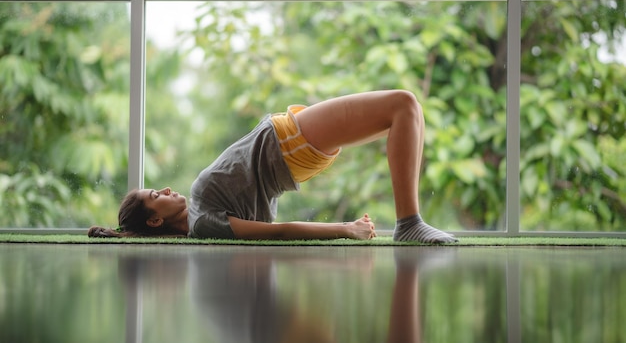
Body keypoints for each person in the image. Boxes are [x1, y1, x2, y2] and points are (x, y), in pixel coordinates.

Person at [88, 90, 457, 243]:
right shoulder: (202, 222)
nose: (166, 189)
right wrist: (344, 228)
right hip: (288, 142)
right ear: (154, 219)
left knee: (406, 111)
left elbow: (269, 226)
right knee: (403, 105)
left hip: (290, 148)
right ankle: (408, 224)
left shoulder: (204, 217)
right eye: (156, 195)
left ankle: (410, 222)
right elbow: (276, 230)